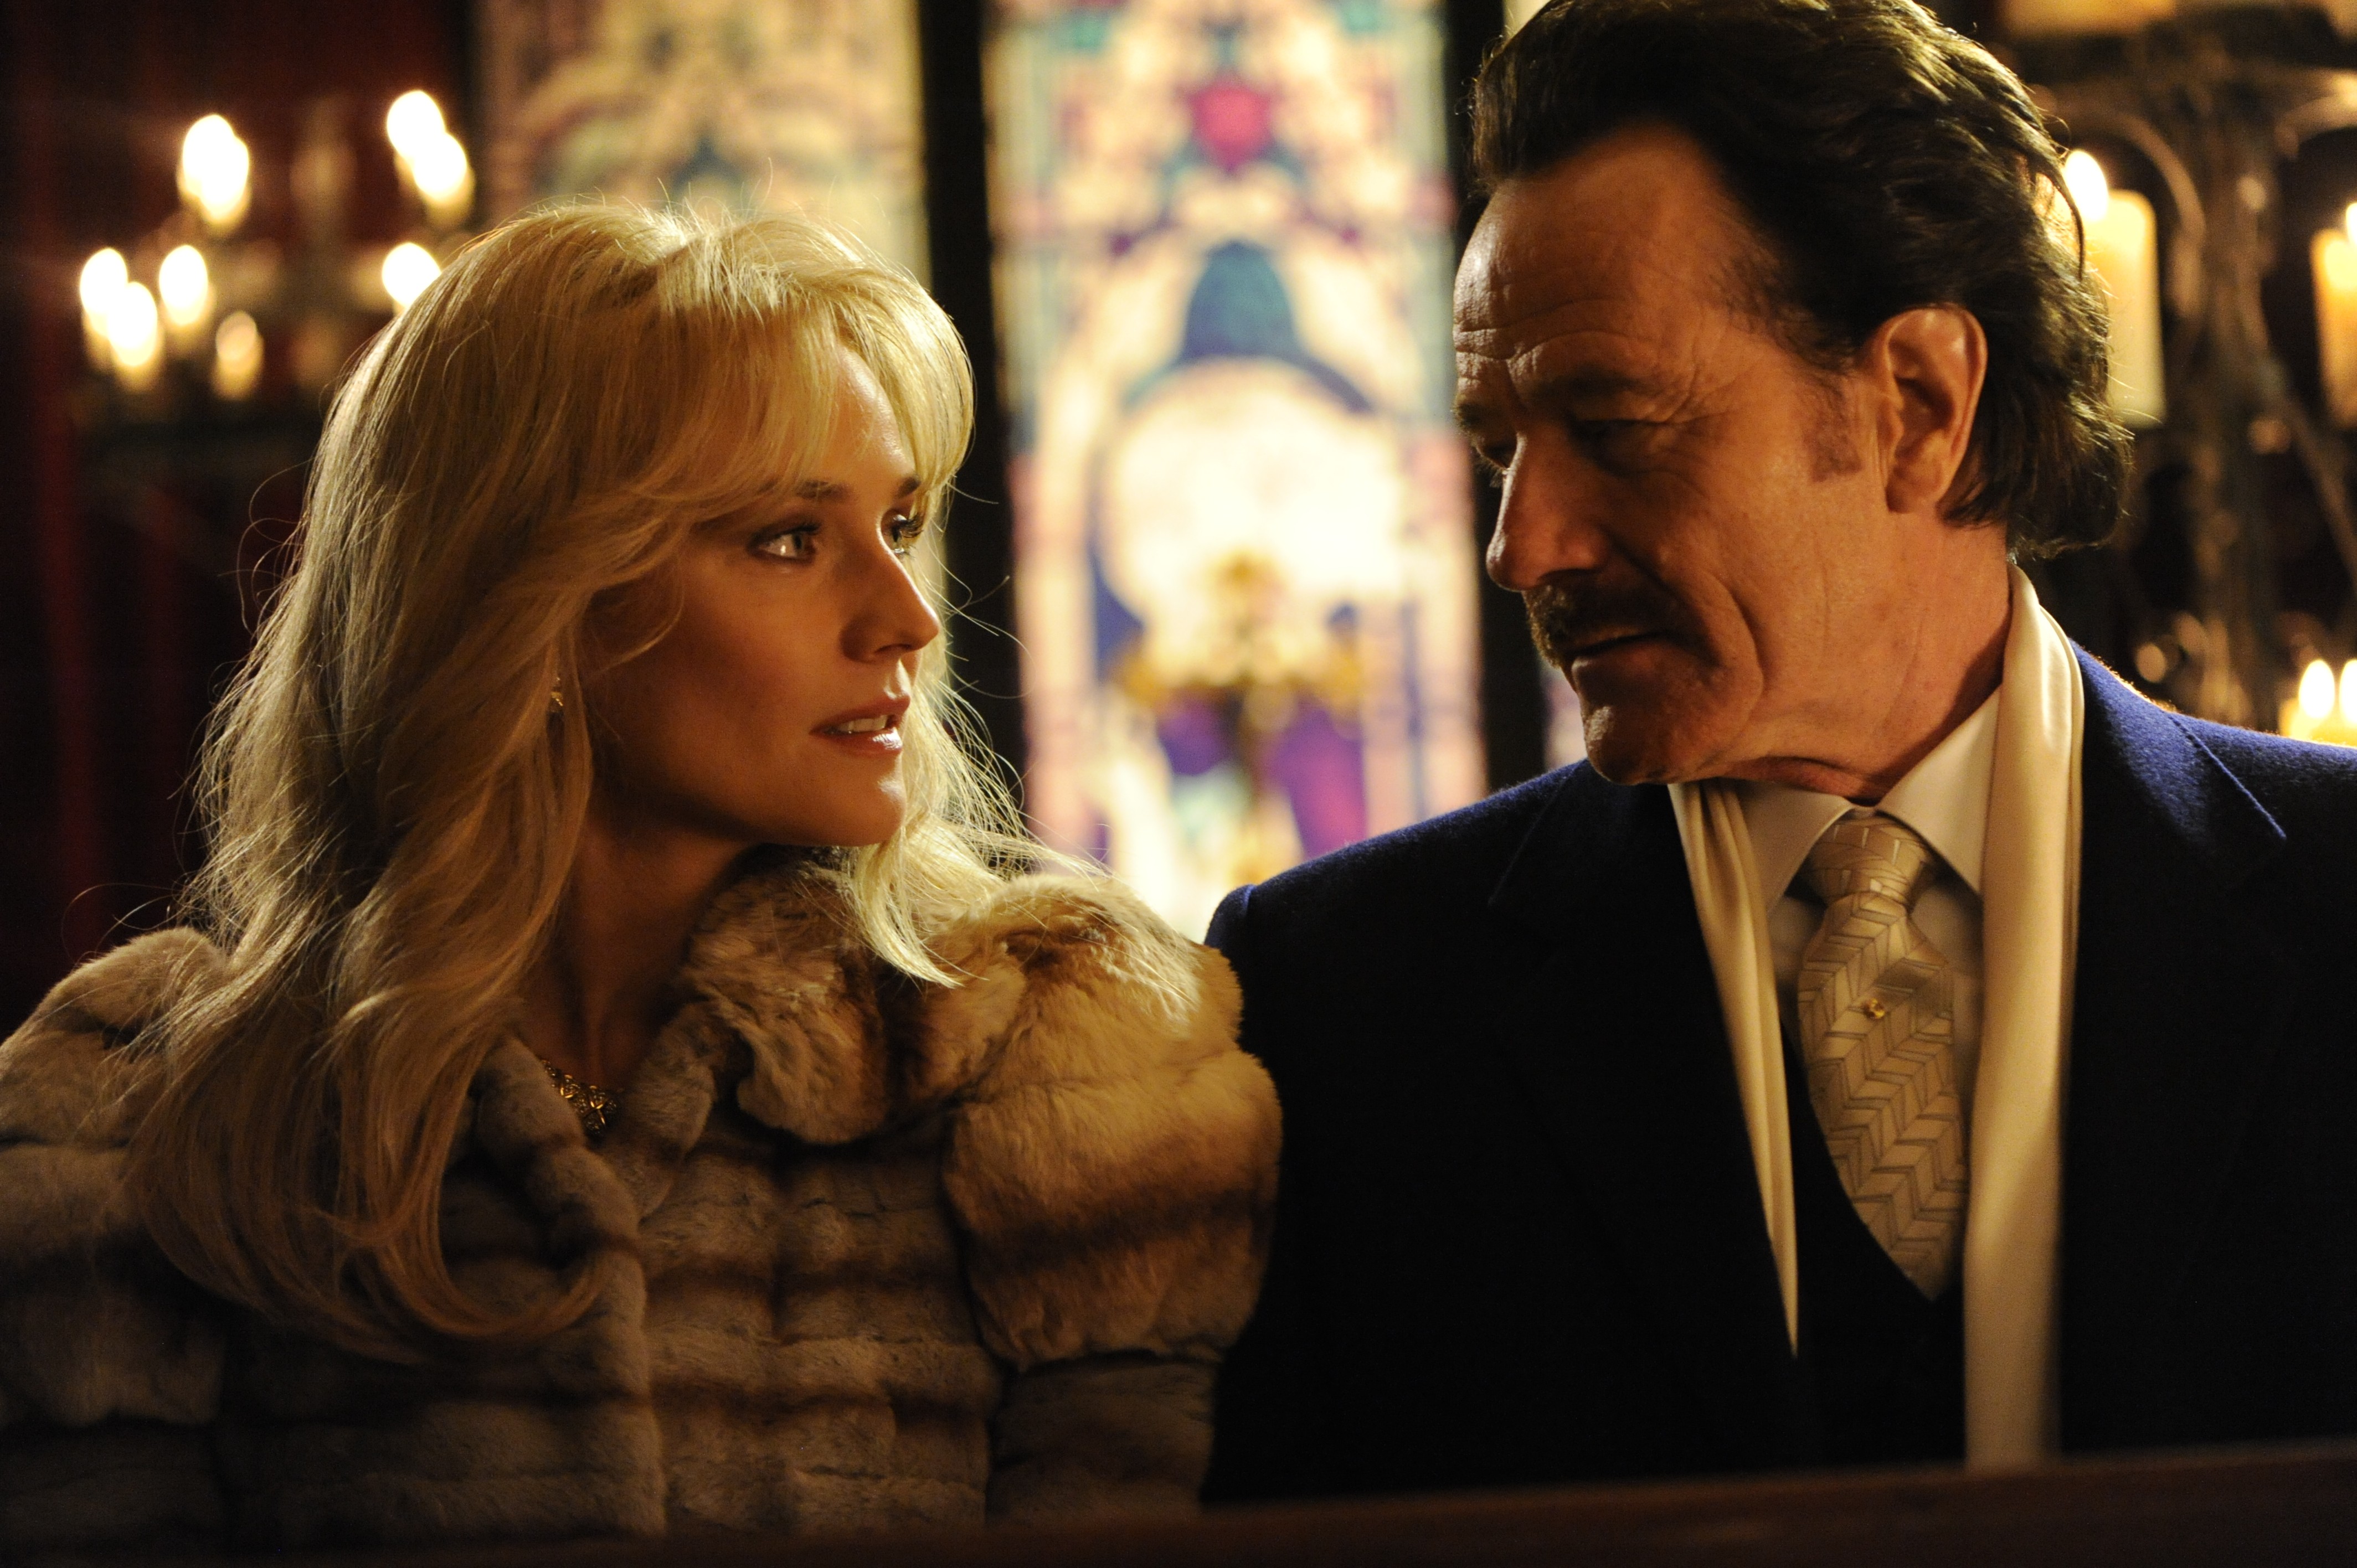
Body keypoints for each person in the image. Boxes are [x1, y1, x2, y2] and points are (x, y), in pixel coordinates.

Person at [1204, 0, 2357, 1502]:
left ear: (1918, 406)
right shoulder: (1343, 998)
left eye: (1613, 425)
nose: (1521, 545)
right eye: (1500, 450)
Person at [0, 207, 1279, 1552]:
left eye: (898, 522)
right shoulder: (148, 1117)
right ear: (537, 599)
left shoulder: (1051, 1061)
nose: (904, 617)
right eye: (788, 538)